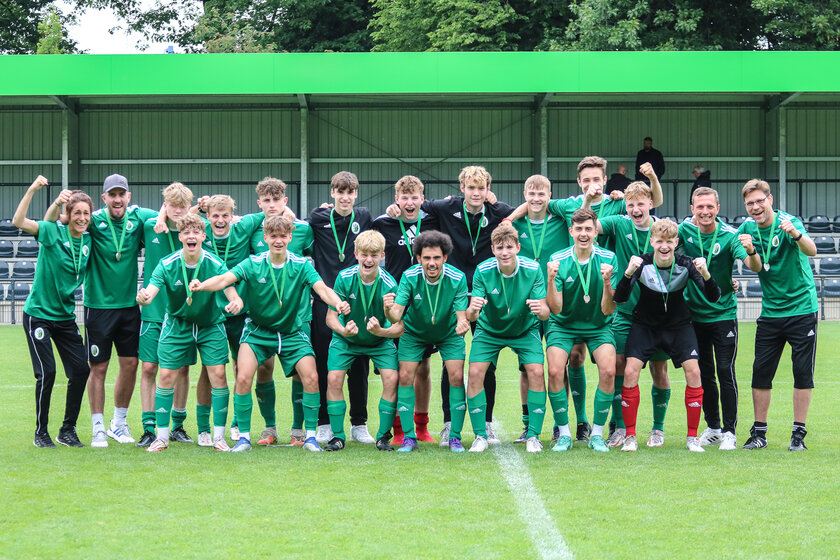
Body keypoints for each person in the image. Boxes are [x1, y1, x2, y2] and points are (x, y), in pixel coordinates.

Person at [190, 215, 348, 452]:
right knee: (243, 377)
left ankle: (311, 437)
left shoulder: (302, 265)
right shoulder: (253, 263)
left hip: (291, 333)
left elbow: (322, 289)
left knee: (312, 377)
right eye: (273, 236)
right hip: (257, 331)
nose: (278, 241)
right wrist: (202, 285)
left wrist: (339, 304)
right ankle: (243, 438)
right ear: (265, 238)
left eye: (283, 236)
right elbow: (224, 279)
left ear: (290, 238)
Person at [44, 173, 160, 448]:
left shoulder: (139, 217)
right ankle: (97, 427)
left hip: (130, 307)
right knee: (99, 367)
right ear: (104, 198)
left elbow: (170, 211)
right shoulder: (92, 219)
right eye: (113, 194)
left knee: (130, 364)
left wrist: (197, 208)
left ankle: (118, 423)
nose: (118, 199)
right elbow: (52, 224)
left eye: (122, 194)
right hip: (99, 307)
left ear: (129, 197)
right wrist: (59, 206)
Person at [417, 166, 514, 446]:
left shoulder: (496, 211)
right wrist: (393, 209)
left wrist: (499, 205)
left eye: (481, 188)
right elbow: (413, 204)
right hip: (454, 295)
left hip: (485, 296)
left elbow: (520, 212)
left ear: (487, 190)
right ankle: (449, 423)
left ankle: (486, 423)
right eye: (471, 188)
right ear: (462, 188)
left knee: (487, 363)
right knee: (452, 363)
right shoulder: (446, 208)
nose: (476, 193)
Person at [135, 213, 242, 452]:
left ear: (204, 236)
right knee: (166, 377)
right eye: (186, 232)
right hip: (177, 323)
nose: (191, 236)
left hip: (210, 324)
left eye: (196, 232)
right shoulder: (168, 263)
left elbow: (231, 292)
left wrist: (236, 302)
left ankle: (219, 437)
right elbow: (149, 292)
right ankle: (161, 437)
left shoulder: (215, 264)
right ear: (181, 236)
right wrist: (143, 297)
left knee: (219, 376)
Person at [614, 219, 721, 452]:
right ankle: (630, 436)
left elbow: (713, 296)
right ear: (652, 241)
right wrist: (628, 272)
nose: (664, 246)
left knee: (694, 370)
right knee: (630, 371)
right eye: (660, 241)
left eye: (669, 241)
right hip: (645, 326)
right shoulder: (641, 263)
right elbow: (620, 298)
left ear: (676, 242)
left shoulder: (686, 264)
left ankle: (692, 437)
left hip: (678, 326)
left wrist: (706, 273)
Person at [584, 174, 672, 449]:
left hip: (658, 314)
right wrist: (594, 197)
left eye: (641, 204)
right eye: (631, 204)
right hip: (623, 312)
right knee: (619, 368)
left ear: (650, 204)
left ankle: (657, 429)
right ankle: (621, 428)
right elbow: (591, 226)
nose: (635, 209)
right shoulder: (619, 223)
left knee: (659, 369)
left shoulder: (664, 229)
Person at [737, 179, 818, 451]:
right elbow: (756, 266)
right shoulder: (746, 229)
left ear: (770, 200)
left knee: (802, 372)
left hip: (802, 309)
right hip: (771, 312)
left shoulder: (789, 221)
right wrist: (749, 250)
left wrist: (794, 233)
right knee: (760, 372)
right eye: (750, 203)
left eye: (760, 201)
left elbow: (812, 250)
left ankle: (798, 434)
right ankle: (759, 433)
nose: (756, 207)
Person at [679, 187, 761, 450]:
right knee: (704, 374)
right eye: (699, 207)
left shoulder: (729, 235)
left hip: (723, 314)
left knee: (725, 371)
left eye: (709, 207)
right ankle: (713, 427)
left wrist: (751, 251)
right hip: (694, 316)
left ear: (718, 208)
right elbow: (660, 240)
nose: (705, 211)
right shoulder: (684, 231)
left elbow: (754, 267)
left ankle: (730, 432)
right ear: (692, 209)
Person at [14, 177, 92, 448]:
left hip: (65, 318)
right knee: (47, 373)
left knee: (81, 370)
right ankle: (41, 432)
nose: (82, 218)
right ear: (67, 215)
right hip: (39, 314)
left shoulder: (88, 243)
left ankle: (67, 430)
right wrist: (34, 189)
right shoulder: (53, 233)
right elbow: (18, 221)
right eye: (77, 213)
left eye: (86, 214)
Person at [384, 231, 471, 452]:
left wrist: (463, 324)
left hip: (448, 332)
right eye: (427, 258)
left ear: (445, 258)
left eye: (436, 258)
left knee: (456, 376)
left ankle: (455, 437)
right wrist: (388, 309)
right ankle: (409, 437)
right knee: (405, 376)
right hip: (414, 333)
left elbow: (462, 316)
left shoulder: (458, 277)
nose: (432, 263)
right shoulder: (410, 276)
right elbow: (397, 315)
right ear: (418, 258)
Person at [466, 223, 549, 452]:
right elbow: (472, 314)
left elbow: (545, 311)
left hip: (525, 330)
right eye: (500, 247)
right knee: (475, 372)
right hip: (489, 330)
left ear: (518, 247)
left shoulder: (533, 269)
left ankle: (533, 435)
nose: (505, 252)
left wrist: (541, 310)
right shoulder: (483, 270)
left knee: (536, 371)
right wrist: (473, 310)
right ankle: (480, 436)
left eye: (509, 247)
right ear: (492, 249)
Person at [370, 175, 440, 444]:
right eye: (404, 197)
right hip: (395, 304)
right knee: (400, 368)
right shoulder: (382, 224)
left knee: (423, 367)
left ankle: (421, 427)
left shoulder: (434, 222)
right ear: (396, 199)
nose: (409, 203)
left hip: (425, 304)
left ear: (422, 199)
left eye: (414, 197)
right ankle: (399, 429)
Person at [309, 172, 374, 445]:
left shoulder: (365, 216)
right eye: (340, 192)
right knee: (325, 362)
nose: (345, 197)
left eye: (350, 192)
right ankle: (324, 422)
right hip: (326, 301)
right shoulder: (318, 218)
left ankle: (359, 424)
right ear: (332, 193)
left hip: (356, 298)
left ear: (356, 194)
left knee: (359, 363)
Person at [545, 209, 618, 452]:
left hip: (598, 325)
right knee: (555, 371)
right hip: (563, 324)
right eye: (579, 229)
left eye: (588, 229)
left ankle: (596, 434)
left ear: (596, 231)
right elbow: (555, 308)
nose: (583, 234)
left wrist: (607, 282)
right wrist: (550, 278)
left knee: (608, 370)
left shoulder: (609, 259)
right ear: (571, 232)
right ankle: (564, 433)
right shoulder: (559, 258)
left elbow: (608, 310)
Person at [247, 177, 313, 445]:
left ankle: (298, 430)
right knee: (264, 369)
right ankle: (269, 428)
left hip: (297, 317)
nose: (272, 205)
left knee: (300, 371)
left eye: (277, 200)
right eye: (267, 200)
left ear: (285, 201)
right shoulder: (253, 232)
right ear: (259, 203)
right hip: (263, 318)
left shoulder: (303, 229)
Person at [194, 194, 263, 447]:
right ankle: (203, 428)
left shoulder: (244, 226)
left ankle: (235, 424)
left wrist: (288, 214)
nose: (220, 220)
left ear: (233, 217)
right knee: (208, 370)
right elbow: (181, 217)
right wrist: (198, 206)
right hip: (212, 314)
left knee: (240, 367)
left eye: (225, 216)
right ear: (207, 216)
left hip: (240, 312)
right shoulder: (200, 233)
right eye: (214, 215)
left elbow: (274, 211)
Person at [324, 231, 403, 451]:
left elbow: (399, 327)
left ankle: (382, 437)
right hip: (346, 340)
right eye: (364, 254)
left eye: (374, 255)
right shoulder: (344, 278)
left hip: (379, 341)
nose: (369, 260)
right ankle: (337, 436)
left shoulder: (389, 283)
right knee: (334, 379)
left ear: (382, 255)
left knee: (391, 378)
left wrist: (382, 327)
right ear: (356, 253)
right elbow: (330, 318)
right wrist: (343, 329)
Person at [134, 183, 197, 447]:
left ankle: (178, 425)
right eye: (173, 207)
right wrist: (160, 215)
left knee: (181, 368)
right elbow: (131, 210)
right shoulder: (150, 225)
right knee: (149, 367)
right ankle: (149, 427)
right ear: (165, 205)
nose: (179, 212)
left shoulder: (195, 229)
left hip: (184, 312)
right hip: (154, 309)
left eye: (183, 207)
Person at [509, 174, 568, 443]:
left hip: (556, 304)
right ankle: (527, 424)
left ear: (549, 196)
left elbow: (587, 213)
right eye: (531, 194)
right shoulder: (515, 223)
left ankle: (560, 424)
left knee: (559, 366)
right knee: (528, 367)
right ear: (524, 195)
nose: (536, 199)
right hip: (527, 305)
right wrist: (510, 217)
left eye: (541, 194)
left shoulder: (561, 220)